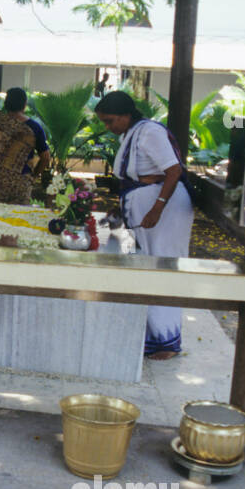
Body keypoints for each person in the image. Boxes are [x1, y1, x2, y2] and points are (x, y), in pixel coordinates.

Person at [95, 90, 193, 360]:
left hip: (164, 211)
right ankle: (151, 337)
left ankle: (166, 343)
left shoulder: (150, 132)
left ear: (126, 114)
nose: (108, 127)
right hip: (147, 206)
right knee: (146, 265)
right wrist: (122, 207)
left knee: (163, 268)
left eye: (110, 121)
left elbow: (173, 171)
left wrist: (157, 207)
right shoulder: (132, 133)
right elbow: (135, 176)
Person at [0, 90, 40, 204]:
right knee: (18, 213)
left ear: (6, 104)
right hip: (21, 180)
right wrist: (34, 176)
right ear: (24, 104)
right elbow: (45, 157)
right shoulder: (34, 127)